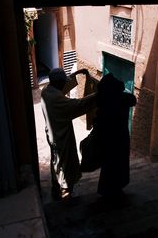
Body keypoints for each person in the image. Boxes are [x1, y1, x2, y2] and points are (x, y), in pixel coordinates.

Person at [41, 67, 96, 200]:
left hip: (53, 134)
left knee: (56, 162)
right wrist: (97, 95)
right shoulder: (57, 100)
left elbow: (61, 89)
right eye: (63, 82)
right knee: (64, 164)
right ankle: (65, 193)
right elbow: (78, 105)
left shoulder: (46, 91)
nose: (65, 84)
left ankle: (55, 189)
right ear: (59, 83)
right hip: (61, 137)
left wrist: (77, 73)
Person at [94, 73, 137, 198]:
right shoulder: (122, 99)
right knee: (119, 163)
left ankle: (106, 190)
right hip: (120, 137)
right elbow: (133, 99)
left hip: (107, 139)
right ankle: (117, 189)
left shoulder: (102, 100)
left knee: (108, 165)